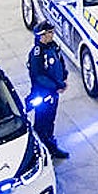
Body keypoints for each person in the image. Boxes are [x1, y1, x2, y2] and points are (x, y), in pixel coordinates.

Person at [28, 21, 69, 159]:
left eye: (52, 32)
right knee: (42, 123)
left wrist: (64, 77)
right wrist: (57, 85)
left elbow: (60, 63)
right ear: (41, 36)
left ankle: (50, 145)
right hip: (43, 94)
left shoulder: (53, 47)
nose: (52, 35)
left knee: (50, 121)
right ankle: (42, 149)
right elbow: (38, 75)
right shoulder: (37, 54)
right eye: (49, 33)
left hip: (54, 93)